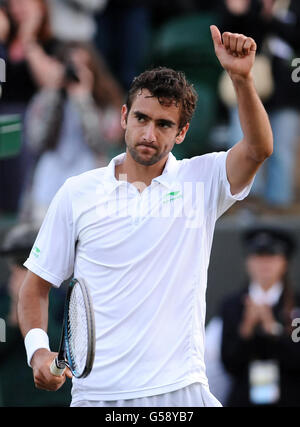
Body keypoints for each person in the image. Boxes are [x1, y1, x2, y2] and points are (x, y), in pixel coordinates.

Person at [17, 25, 273, 407]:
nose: (149, 133)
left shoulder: (199, 181)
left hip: (181, 391)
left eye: (164, 124)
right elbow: (34, 288)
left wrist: (241, 79)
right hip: (97, 398)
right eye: (141, 118)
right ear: (124, 117)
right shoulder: (76, 193)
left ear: (182, 132)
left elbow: (258, 148)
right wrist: (38, 351)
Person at [22, 40, 124, 223]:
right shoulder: (46, 98)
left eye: (82, 66)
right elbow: (35, 140)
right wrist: (52, 91)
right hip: (49, 178)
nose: (74, 72)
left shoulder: (106, 103)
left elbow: (102, 144)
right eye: (70, 66)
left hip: (89, 177)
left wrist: (83, 99)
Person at [221, 226, 300, 407]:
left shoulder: (296, 306)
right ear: (248, 262)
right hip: (244, 399)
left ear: (284, 262)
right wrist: (246, 329)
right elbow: (229, 364)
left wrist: (273, 328)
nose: (264, 264)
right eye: (258, 256)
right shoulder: (232, 306)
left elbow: (297, 358)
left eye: (271, 256)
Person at [0, 222, 71, 406]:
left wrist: (33, 310)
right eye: (18, 262)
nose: (23, 267)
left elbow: (70, 348)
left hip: (57, 400)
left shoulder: (63, 300)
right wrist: (15, 313)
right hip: (15, 399)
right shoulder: (2, 304)